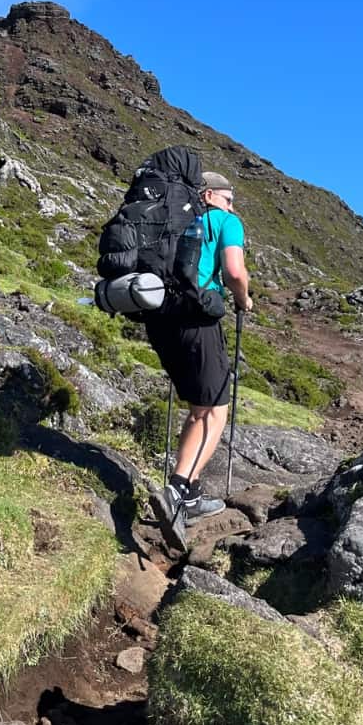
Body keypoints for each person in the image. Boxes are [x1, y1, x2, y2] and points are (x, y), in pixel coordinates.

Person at [146, 171, 252, 550]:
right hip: (196, 318)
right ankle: (177, 491)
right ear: (208, 195)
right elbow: (234, 271)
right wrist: (243, 298)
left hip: (158, 318)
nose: (232, 206)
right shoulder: (224, 221)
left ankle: (189, 493)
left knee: (199, 409)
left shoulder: (167, 217)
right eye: (228, 198)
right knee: (215, 412)